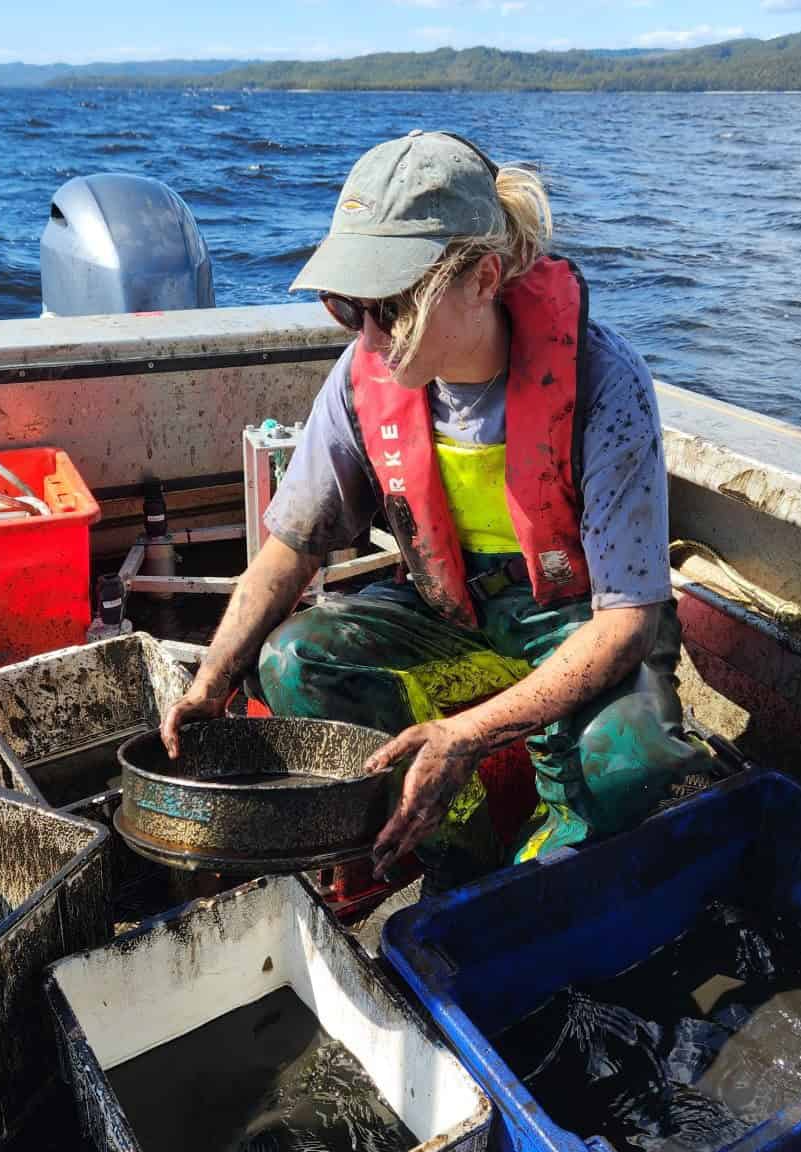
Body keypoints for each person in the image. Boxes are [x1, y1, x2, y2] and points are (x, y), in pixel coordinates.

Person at [160, 129, 711, 889]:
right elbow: (290, 546)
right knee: (290, 659)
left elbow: (627, 624)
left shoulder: (603, 383)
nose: (368, 333)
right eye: (347, 305)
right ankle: (453, 843)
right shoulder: (365, 381)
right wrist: (210, 679)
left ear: (483, 278)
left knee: (627, 763)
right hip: (447, 614)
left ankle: (549, 857)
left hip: (579, 620)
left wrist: (467, 733)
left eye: (392, 305)